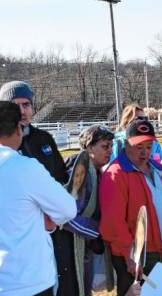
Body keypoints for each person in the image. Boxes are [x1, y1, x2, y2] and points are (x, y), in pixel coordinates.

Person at [0, 80, 72, 293]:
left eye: (27, 104)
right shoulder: (21, 162)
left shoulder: (44, 139)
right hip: (21, 255)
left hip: (53, 235)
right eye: (16, 105)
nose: (23, 111)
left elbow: (61, 180)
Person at [99, 119, 162, 296]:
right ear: (126, 144)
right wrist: (131, 256)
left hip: (160, 249)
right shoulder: (116, 174)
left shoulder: (157, 168)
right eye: (139, 147)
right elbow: (112, 223)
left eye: (149, 146)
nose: (145, 152)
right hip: (135, 257)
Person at [60, 125, 115, 296]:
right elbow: (67, 216)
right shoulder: (79, 174)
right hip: (72, 246)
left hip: (84, 245)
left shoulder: (95, 172)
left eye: (111, 146)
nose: (110, 151)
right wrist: (96, 232)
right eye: (105, 146)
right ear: (90, 147)